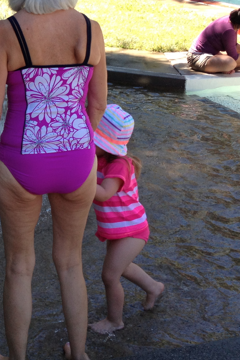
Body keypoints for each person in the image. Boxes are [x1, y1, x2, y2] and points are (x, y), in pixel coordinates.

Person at [0, 0, 108, 360]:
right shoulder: (91, 30)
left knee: (19, 267)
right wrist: (77, 146)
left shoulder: (2, 33)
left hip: (21, 161)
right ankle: (79, 354)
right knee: (71, 263)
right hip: (77, 159)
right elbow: (98, 104)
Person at [87, 105, 164, 336]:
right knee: (123, 267)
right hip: (120, 229)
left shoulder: (119, 165)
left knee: (110, 275)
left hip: (132, 230)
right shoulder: (100, 159)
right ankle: (154, 287)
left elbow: (103, 193)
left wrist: (78, 177)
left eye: (92, 139)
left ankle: (115, 321)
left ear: (105, 145)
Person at [186, 4, 240, 73]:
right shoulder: (229, 30)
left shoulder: (232, 21)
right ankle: (222, 69)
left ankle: (220, 68)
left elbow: (233, 45)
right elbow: (234, 57)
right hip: (196, 57)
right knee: (230, 63)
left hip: (210, 54)